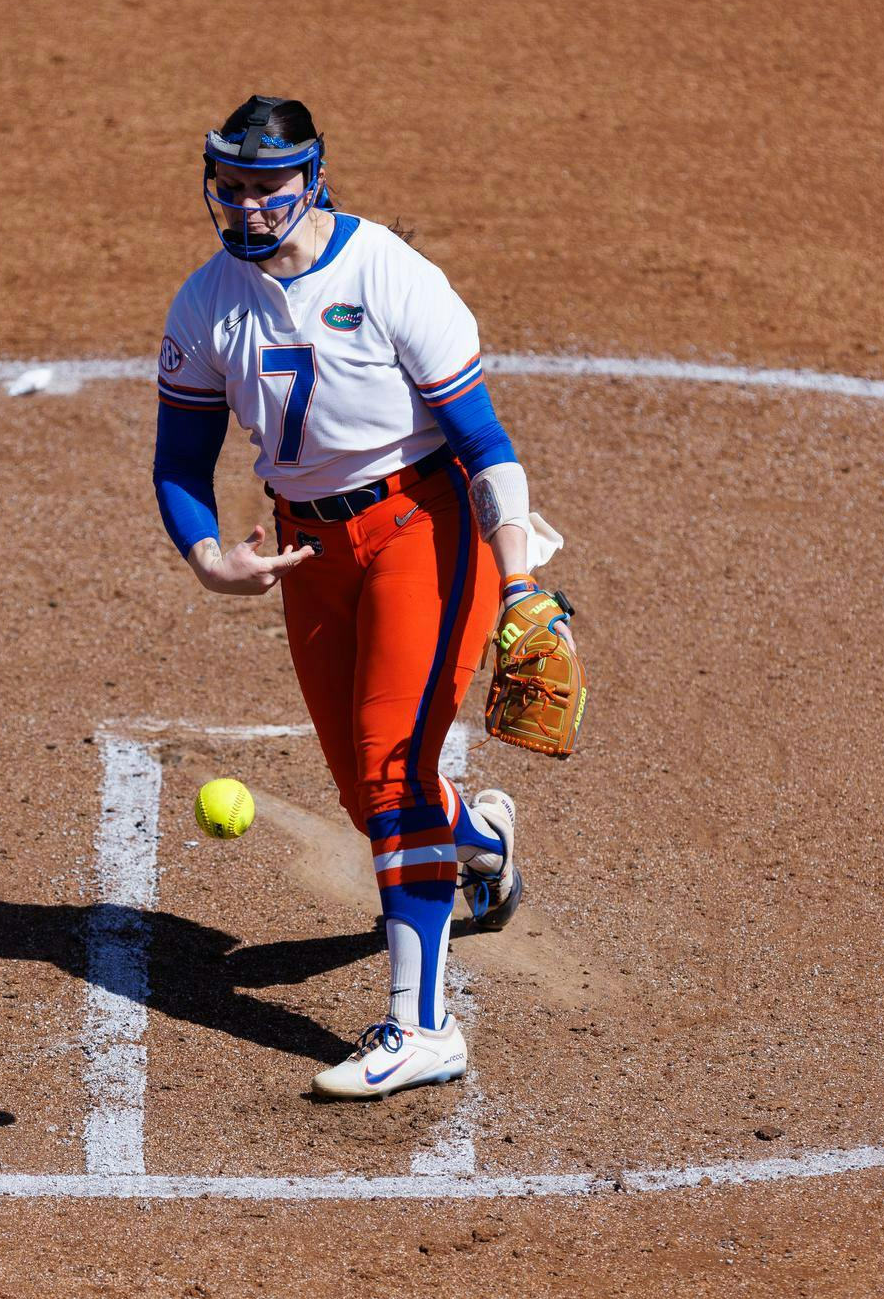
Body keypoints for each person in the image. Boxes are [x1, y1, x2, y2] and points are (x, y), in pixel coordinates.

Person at [151, 95, 574, 1099]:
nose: (250, 207)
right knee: (369, 794)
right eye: (233, 188)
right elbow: (177, 460)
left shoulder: (387, 274)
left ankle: (420, 1026)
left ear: (313, 179)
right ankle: (483, 840)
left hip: (421, 533)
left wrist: (517, 582)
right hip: (308, 551)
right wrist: (208, 554)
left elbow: (485, 446)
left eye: (268, 187)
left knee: (392, 773)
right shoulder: (205, 304)